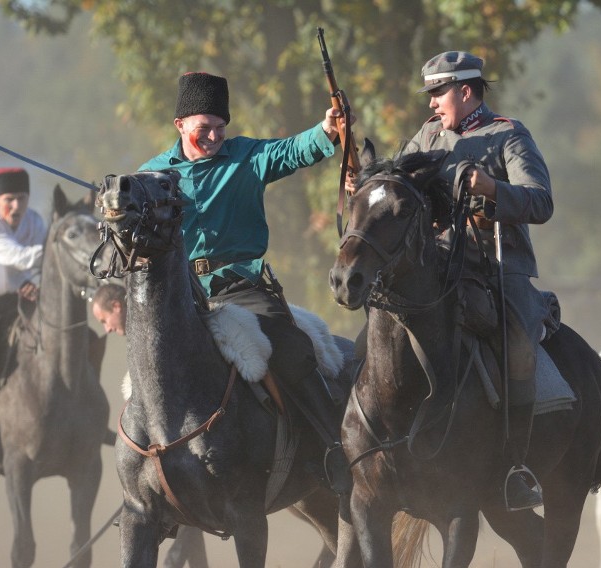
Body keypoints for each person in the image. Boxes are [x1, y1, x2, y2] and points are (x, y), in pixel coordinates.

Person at [139, 71, 351, 494]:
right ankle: (141, 475)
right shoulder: (151, 176)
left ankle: (335, 450)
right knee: (145, 363)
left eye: (221, 127)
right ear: (180, 125)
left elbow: (292, 150)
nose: (215, 136)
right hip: (181, 294)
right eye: (204, 129)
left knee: (291, 348)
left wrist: (328, 129)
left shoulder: (246, 157)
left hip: (241, 286)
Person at [400, 51, 554, 511]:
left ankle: (515, 467)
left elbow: (541, 202)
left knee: (518, 350)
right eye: (429, 94)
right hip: (439, 266)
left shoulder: (509, 134)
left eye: (437, 93)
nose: (431, 104)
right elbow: (398, 180)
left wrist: (492, 189)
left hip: (495, 268)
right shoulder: (427, 135)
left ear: (466, 92)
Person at [0, 168, 45, 433]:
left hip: (25, 298)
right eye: (9, 199)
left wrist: (37, 283)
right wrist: (61, 248)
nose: (17, 205)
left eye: (22, 198)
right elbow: (18, 257)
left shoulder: (36, 221)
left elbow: (41, 269)